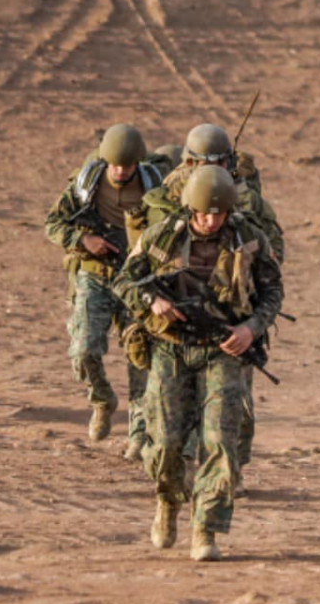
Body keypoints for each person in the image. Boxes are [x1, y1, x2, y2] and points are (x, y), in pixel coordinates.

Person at [113, 165, 283, 561]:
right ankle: (168, 503)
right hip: (171, 349)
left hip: (223, 351)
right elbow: (125, 281)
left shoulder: (249, 240)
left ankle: (205, 528)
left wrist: (251, 329)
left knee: (221, 443)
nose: (212, 220)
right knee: (168, 443)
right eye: (205, 212)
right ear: (191, 209)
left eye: (219, 213)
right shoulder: (163, 237)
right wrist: (152, 301)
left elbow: (273, 291)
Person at [131, 124, 286, 481]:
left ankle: (229, 470)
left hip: (231, 316)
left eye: (220, 160)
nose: (212, 167)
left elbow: (271, 253)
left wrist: (248, 284)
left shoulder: (244, 199)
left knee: (234, 405)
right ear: (188, 161)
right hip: (173, 314)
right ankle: (174, 463)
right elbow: (141, 250)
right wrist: (152, 295)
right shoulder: (167, 195)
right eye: (203, 161)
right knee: (166, 398)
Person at [44, 123, 166, 445]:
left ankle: (139, 431)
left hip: (137, 277)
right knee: (83, 349)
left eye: (128, 166)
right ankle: (102, 400)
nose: (121, 171)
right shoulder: (87, 183)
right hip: (95, 272)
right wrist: (84, 239)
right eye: (115, 165)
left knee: (140, 353)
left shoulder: (154, 186)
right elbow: (53, 224)